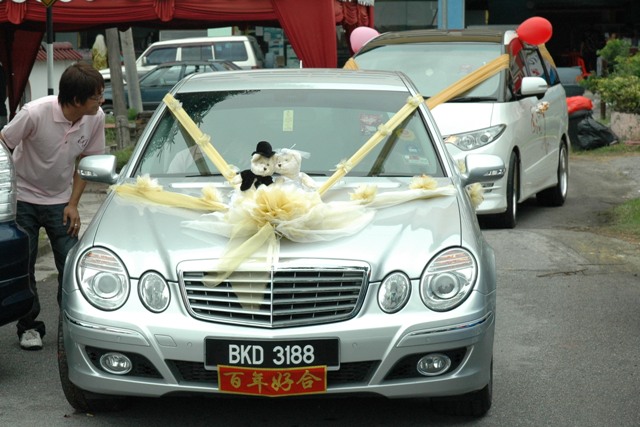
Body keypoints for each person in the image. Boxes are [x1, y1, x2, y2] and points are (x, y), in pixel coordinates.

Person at [0, 62, 106, 350]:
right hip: (22, 199)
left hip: (61, 201)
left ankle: (70, 325)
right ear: (76, 99)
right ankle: (29, 326)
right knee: (25, 264)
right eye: (96, 96)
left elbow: (88, 161)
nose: (101, 100)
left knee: (72, 264)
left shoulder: (95, 118)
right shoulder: (34, 112)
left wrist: (73, 203)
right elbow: (4, 143)